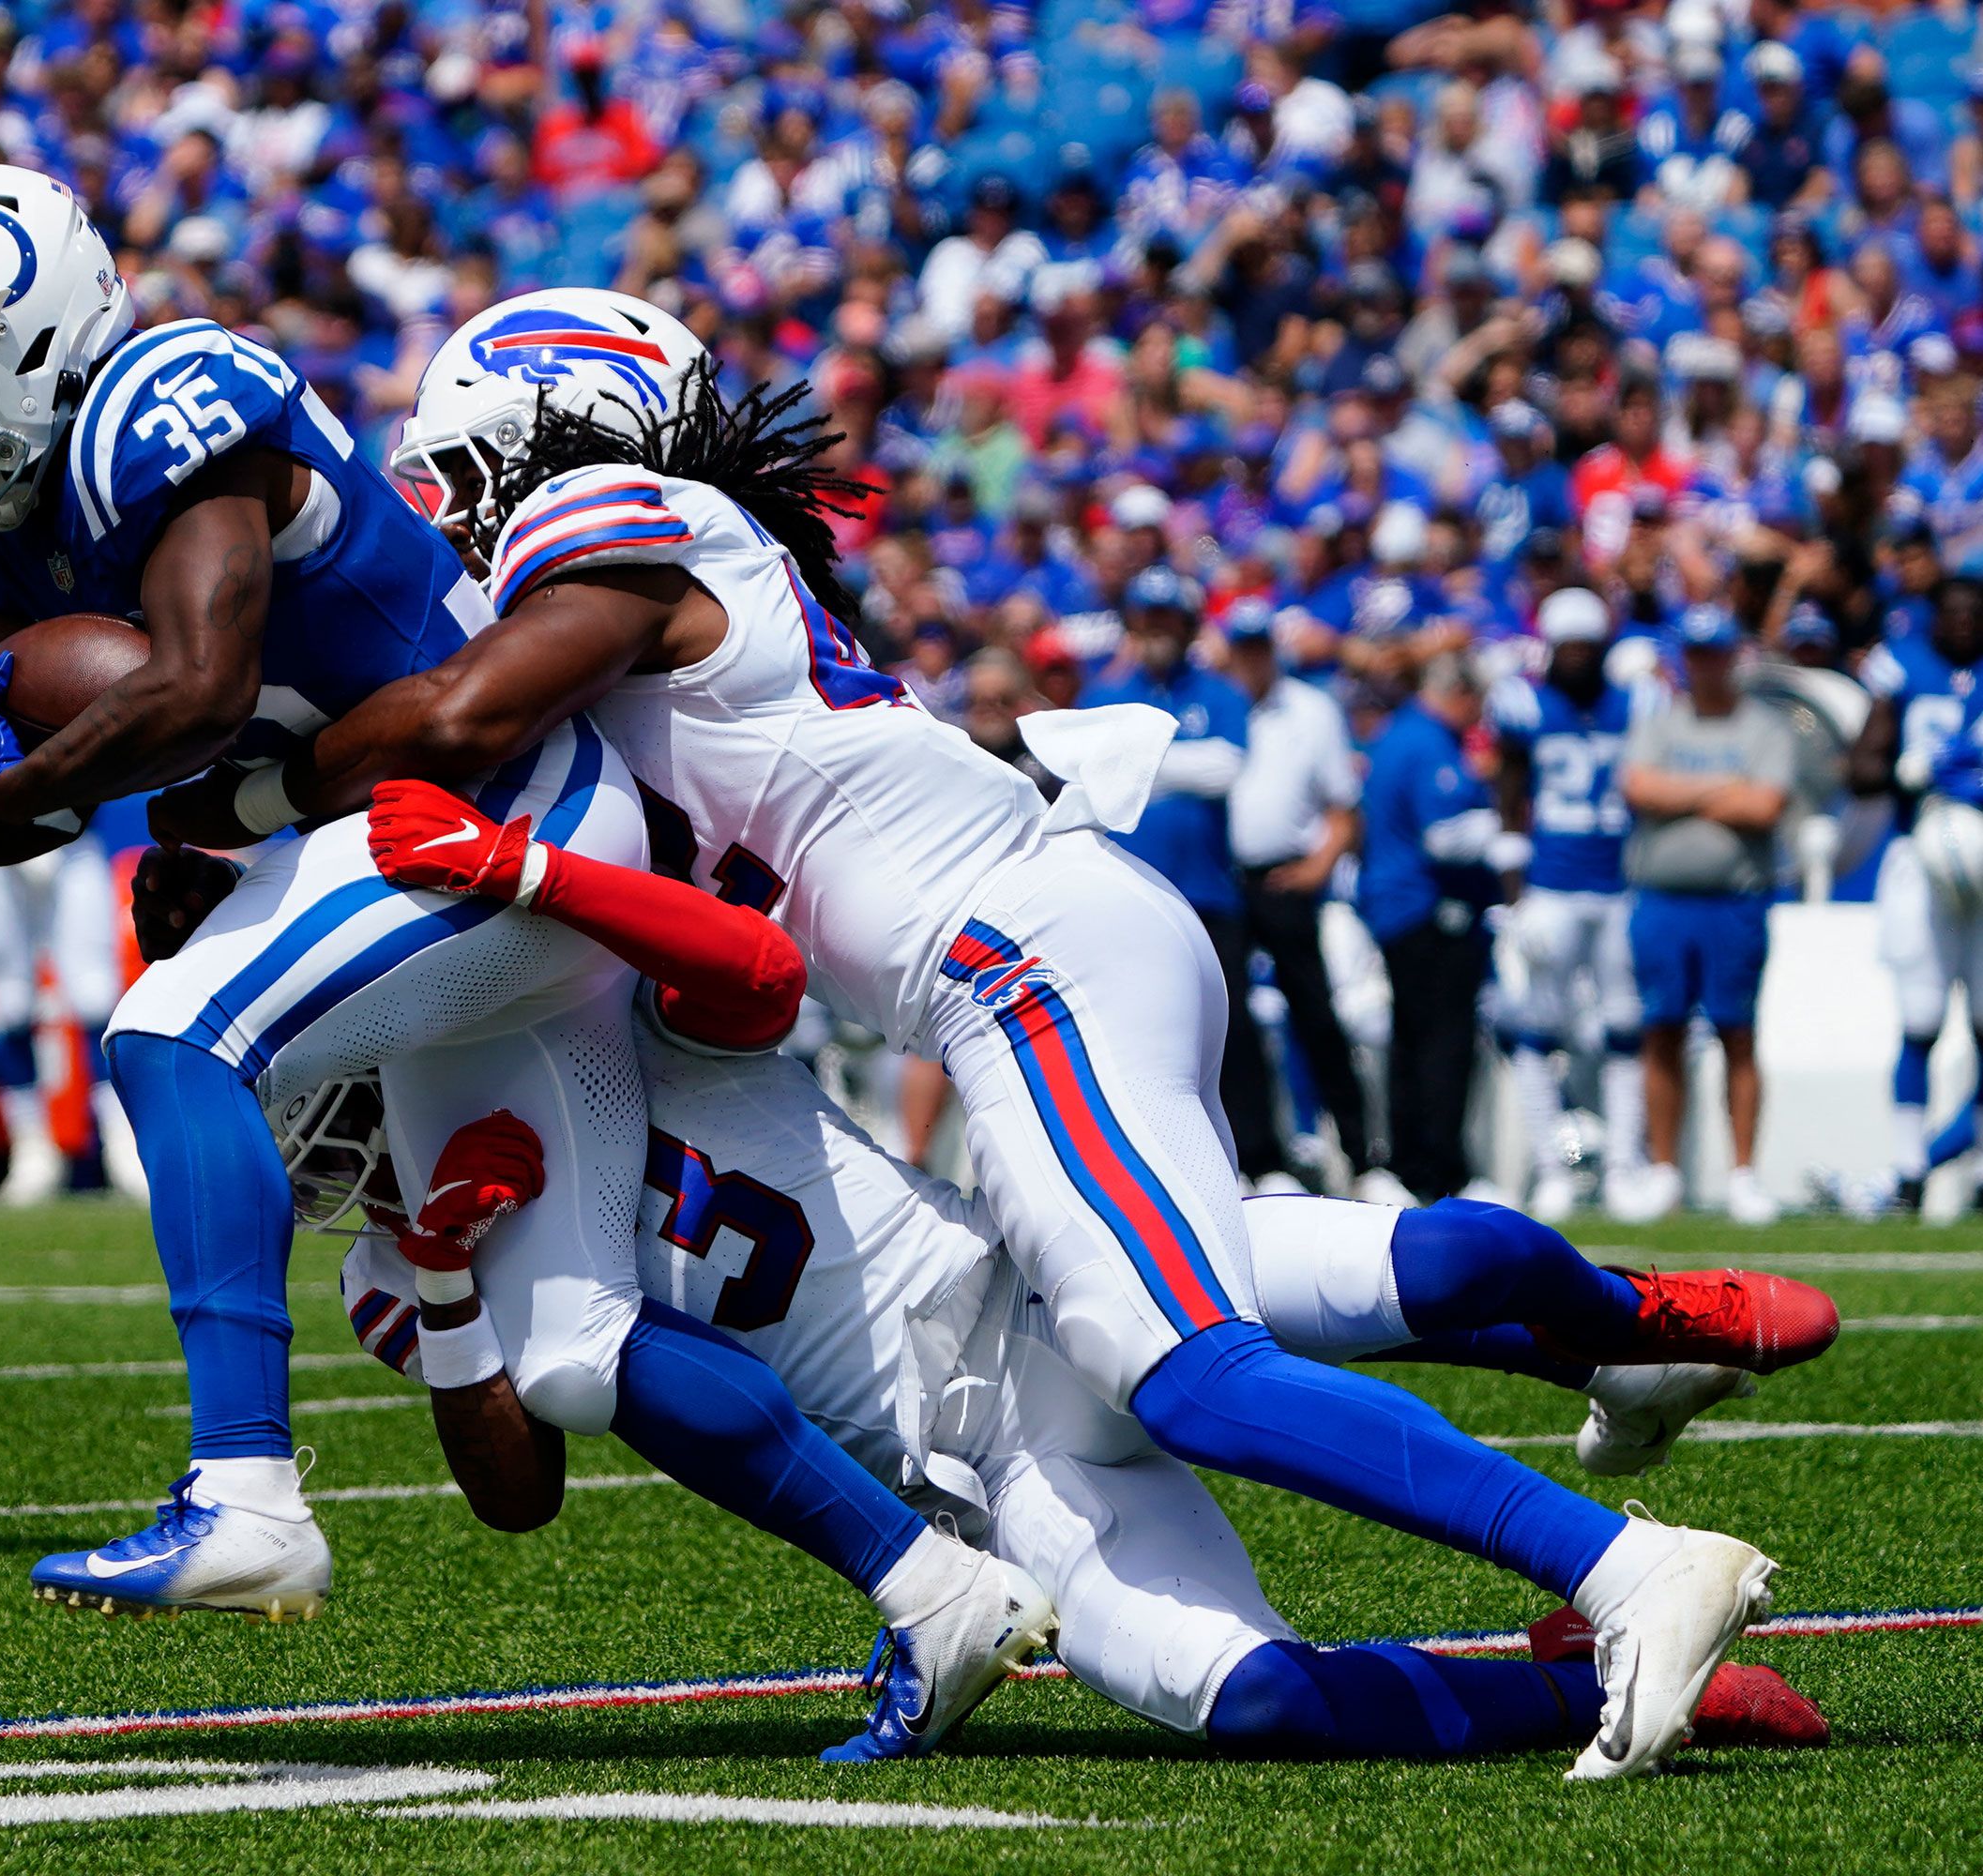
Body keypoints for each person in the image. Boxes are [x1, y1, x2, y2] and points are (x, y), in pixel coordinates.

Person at [152, 288, 1788, 1779]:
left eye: (456, 473)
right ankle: (1622, 1464)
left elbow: (555, 812)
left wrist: (361, 816)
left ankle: (1625, 1554)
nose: (440, 516)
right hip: (1001, 1263)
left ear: (552, 430)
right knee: (1259, 1666)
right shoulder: (439, 1164)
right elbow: (518, 1481)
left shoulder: (620, 564)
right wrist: (440, 1272)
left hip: (1017, 985)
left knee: (1185, 1359)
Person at [0, 196, 1038, 1740]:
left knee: (172, 1034)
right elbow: (62, 763)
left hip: (488, 813)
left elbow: (191, 694)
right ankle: (936, 1589)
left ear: (37, 349)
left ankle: (247, 1493)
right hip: (423, 840)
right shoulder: (22, 510)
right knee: (575, 1351)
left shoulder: (165, 397)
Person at [187, 794, 1833, 1764]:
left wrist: (530, 880)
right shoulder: (394, 1279)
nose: (319, 1129)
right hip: (989, 1464)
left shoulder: (579, 1026)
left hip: (1027, 1275)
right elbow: (521, 1490)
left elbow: (751, 979)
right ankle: (1566, 1681)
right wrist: (459, 1283)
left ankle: (1636, 1334)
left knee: (1446, 1254)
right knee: (1251, 1709)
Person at [1082, 567, 1285, 1188]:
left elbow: (1226, 767)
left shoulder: (1218, 692)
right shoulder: (1105, 693)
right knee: (1135, 1029)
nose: (1156, 632)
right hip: (1127, 893)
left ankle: (1260, 1159)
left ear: (1190, 627)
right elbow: (1093, 776)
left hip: (1206, 891)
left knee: (1228, 1028)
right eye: (1146, 619)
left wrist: (1139, 763)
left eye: (1168, 620)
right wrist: (1168, 766)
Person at [1612, 607, 1797, 1226]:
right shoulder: (1660, 722)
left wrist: (1681, 796)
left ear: (1732, 655)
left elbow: (1766, 805)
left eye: (1714, 652)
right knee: (1660, 1030)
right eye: (1694, 653)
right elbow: (1640, 789)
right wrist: (1724, 789)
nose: (1705, 665)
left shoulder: (1764, 725)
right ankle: (1665, 1169)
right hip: (1662, 897)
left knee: (1737, 1033)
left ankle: (1743, 1172)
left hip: (1734, 899)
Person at [1490, 588, 1651, 1223]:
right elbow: (1508, 793)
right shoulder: (1524, 703)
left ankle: (1624, 1168)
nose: (1580, 658)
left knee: (1624, 1028)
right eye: (1570, 647)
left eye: (1590, 646)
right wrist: (1514, 896)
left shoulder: (1637, 701)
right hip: (1552, 886)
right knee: (1534, 1028)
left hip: (1618, 886)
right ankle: (1551, 1168)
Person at [1222, 598, 1376, 1191]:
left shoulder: (1310, 710)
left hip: (1287, 874)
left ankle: (1362, 1153)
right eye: (1244, 648)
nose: (1253, 659)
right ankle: (1260, 1158)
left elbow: (1342, 805)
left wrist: (1318, 865)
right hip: (1225, 882)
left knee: (1316, 1014)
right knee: (1234, 1023)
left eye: (1261, 647)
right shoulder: (1217, 706)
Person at [1360, 653, 1513, 1207]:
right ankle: (1438, 1165)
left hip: (1398, 908)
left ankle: (1410, 1162)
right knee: (1443, 1044)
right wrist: (1508, 830)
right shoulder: (1428, 742)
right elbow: (1444, 837)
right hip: (1427, 910)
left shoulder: (1400, 734)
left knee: (1412, 1040)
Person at [1852, 575, 1983, 1214]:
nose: (1963, 623)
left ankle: (1971, 1161)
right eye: (1952, 612)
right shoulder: (1901, 666)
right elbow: (1859, 766)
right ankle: (1909, 1169)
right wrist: (1905, 772)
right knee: (1921, 1020)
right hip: (1919, 858)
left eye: (1974, 613)